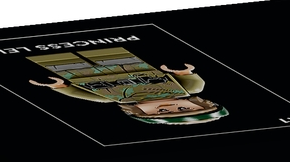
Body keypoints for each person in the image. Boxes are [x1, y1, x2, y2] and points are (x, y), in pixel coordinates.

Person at [27, 47, 228, 126]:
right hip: (126, 63)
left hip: (77, 72)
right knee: (105, 51)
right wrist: (183, 72)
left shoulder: (109, 98)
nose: (170, 107)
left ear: (139, 112)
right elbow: (194, 81)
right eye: (184, 109)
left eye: (163, 112)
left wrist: (60, 86)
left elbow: (75, 92)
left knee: (57, 58)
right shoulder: (189, 89)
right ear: (200, 103)